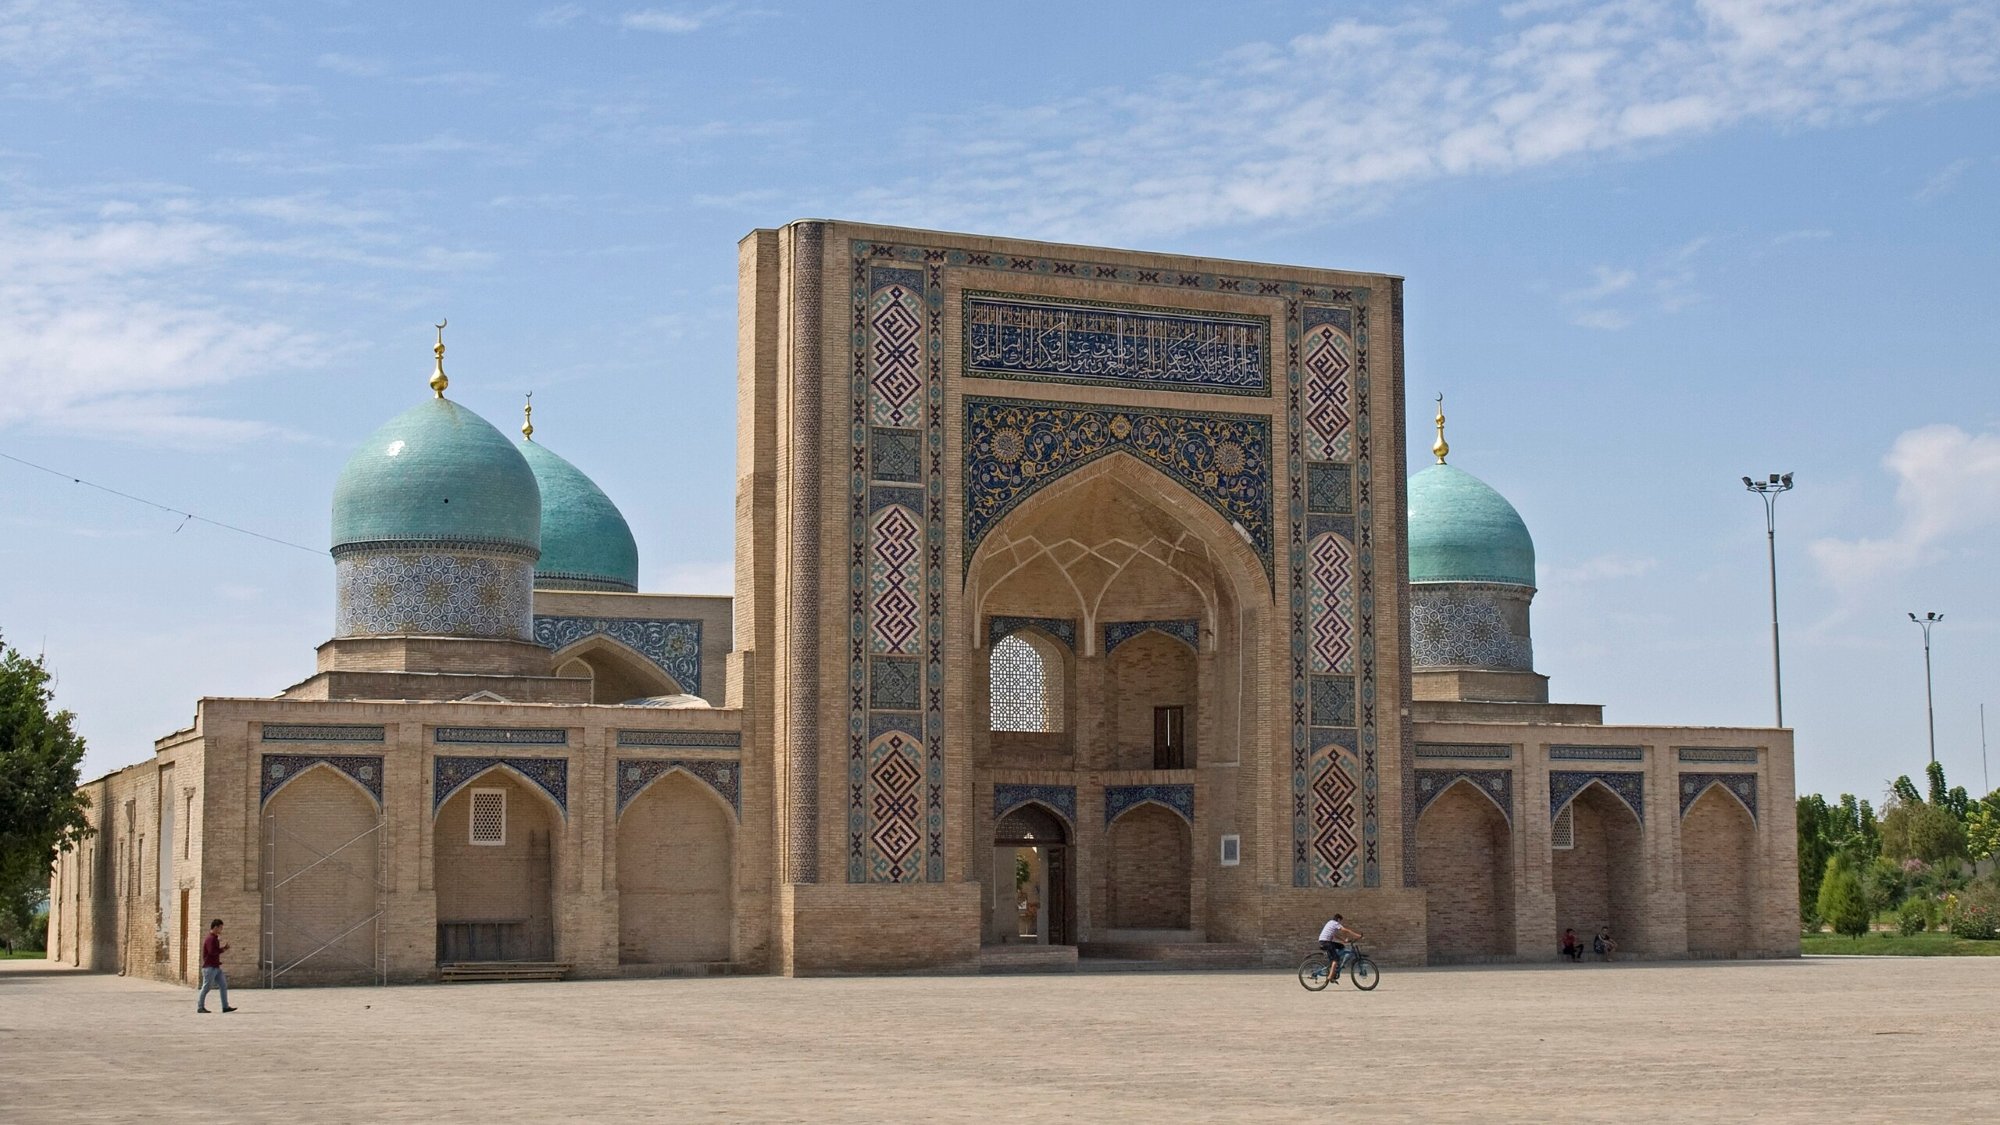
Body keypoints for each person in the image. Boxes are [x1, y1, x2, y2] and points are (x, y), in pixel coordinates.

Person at [196, 918, 236, 1014]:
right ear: (215, 927)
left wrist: (223, 948)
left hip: (216, 967)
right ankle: (200, 1007)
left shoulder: (215, 938)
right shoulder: (211, 938)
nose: (221, 930)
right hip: (209, 967)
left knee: (223, 985)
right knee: (206, 987)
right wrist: (223, 949)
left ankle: (225, 1007)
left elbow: (215, 950)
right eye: (220, 928)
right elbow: (212, 952)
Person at [1316, 913, 1365, 982]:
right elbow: (1346, 930)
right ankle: (1330, 976)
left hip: (1324, 941)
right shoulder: (1335, 923)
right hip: (1326, 942)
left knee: (1341, 946)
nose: (1341, 923)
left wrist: (1343, 940)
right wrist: (1358, 936)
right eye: (1341, 921)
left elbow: (1334, 936)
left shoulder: (1330, 922)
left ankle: (1335, 964)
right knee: (1336, 958)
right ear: (1338, 919)